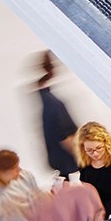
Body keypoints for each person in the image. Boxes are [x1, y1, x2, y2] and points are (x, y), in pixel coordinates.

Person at [32, 51, 79, 179]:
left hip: (60, 158)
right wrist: (82, 155)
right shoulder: (51, 103)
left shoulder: (45, 96)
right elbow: (63, 136)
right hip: (66, 158)